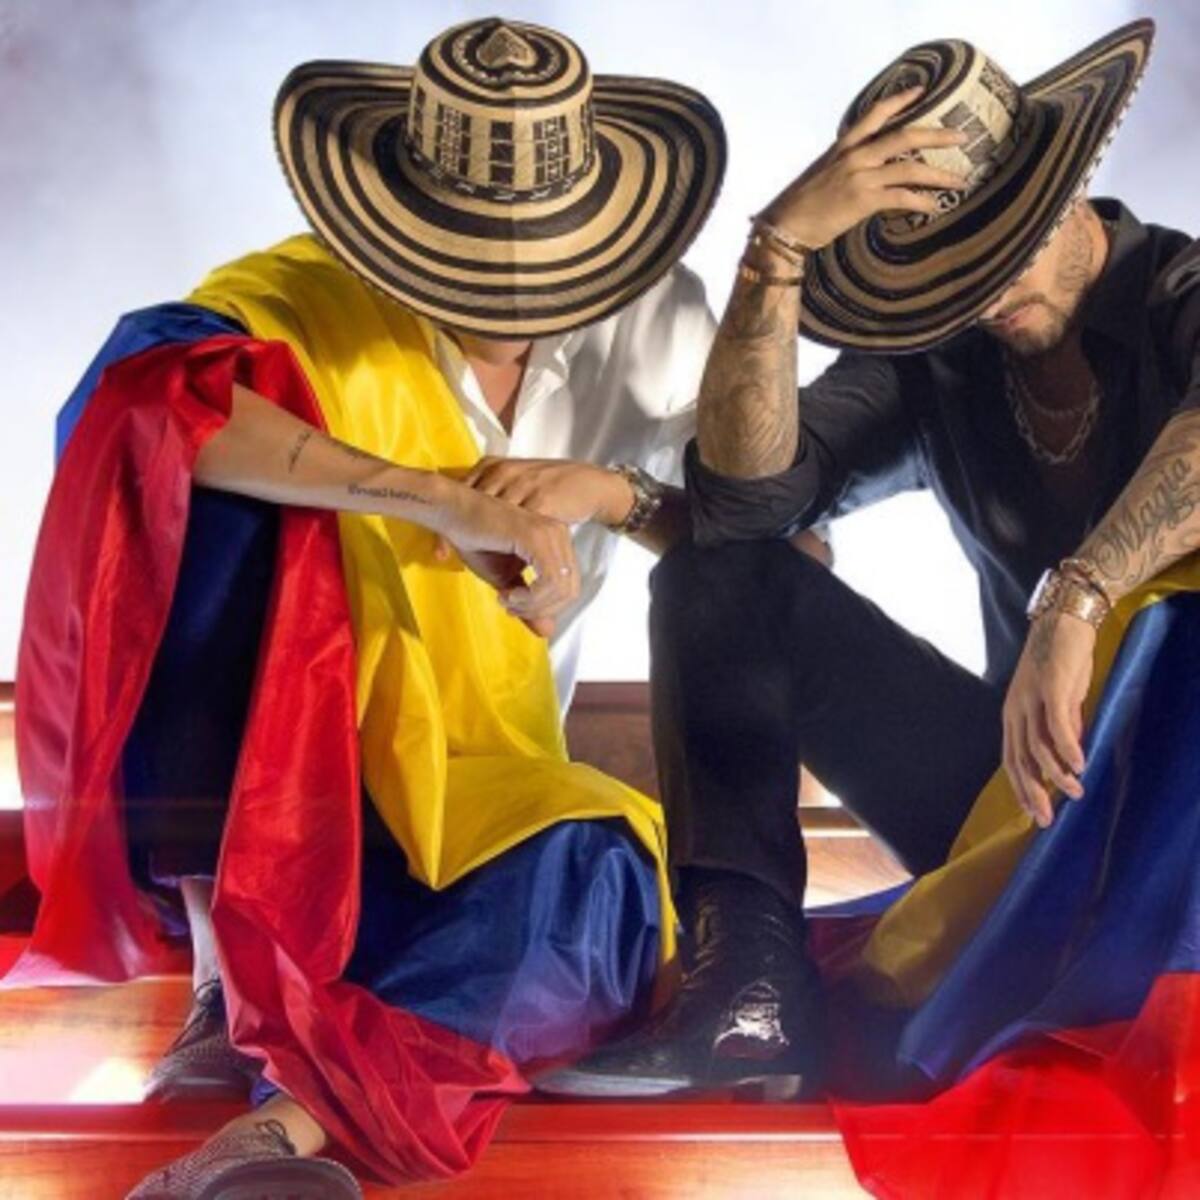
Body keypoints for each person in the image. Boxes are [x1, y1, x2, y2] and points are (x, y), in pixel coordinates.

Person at [8, 16, 750, 1195]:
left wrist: (613, 494)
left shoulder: (662, 318)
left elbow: (774, 541)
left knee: (601, 869)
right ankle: (225, 987)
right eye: (464, 259)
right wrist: (434, 499)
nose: (506, 292)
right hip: (292, 786)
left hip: (488, 788)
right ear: (396, 231)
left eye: (539, 262)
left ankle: (270, 1143)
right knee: (195, 479)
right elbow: (135, 401)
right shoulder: (301, 298)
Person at [542, 17, 1200, 1109]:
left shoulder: (1181, 288)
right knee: (722, 578)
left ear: (1065, 191)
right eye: (949, 268)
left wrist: (1076, 598)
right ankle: (747, 998)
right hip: (1032, 809)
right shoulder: (948, 349)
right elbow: (746, 501)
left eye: (1001, 249)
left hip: (1184, 826)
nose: (981, 291)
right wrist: (776, 254)